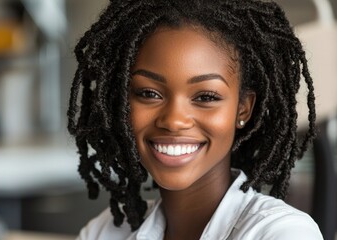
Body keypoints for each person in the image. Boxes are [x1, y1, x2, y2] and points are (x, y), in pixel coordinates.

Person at [68, 0, 323, 239]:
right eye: (149, 93)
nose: (174, 120)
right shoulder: (106, 232)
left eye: (205, 97)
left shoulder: (281, 232)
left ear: (243, 109)